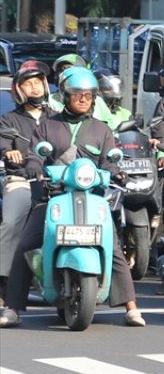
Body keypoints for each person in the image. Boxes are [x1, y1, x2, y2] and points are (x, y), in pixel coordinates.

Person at [1, 67, 145, 328]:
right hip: (52, 196)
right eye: (77, 94)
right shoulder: (48, 125)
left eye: (88, 96)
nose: (83, 99)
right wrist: (34, 165)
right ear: (65, 96)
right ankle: (13, 307)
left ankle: (131, 306)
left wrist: (116, 172)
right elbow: (34, 153)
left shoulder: (101, 129)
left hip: (92, 199)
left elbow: (111, 159)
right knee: (25, 244)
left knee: (112, 244)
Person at [0, 61, 51, 303]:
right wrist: (8, 152)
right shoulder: (9, 121)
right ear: (19, 90)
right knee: (11, 223)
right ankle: (4, 283)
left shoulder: (58, 117)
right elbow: (2, 144)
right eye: (28, 83)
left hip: (57, 182)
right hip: (21, 180)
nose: (35, 88)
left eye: (38, 82)